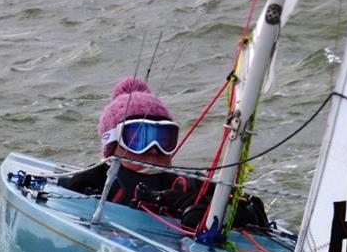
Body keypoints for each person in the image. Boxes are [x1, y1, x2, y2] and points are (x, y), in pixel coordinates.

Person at [59, 76, 269, 229]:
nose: (153, 149)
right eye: (140, 138)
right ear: (112, 144)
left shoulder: (189, 183)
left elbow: (240, 207)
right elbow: (63, 202)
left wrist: (238, 212)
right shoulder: (95, 180)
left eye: (164, 138)